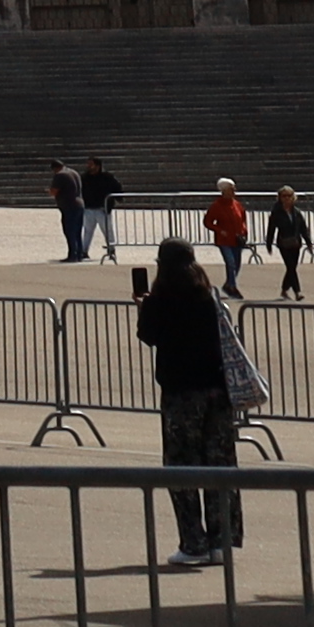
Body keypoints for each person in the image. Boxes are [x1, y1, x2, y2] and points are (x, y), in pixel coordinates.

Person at [130, 240, 244, 566]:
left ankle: (193, 542)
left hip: (181, 392)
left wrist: (142, 306)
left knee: (182, 465)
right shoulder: (208, 295)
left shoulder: (162, 298)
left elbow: (149, 336)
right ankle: (222, 541)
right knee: (220, 464)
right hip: (216, 389)